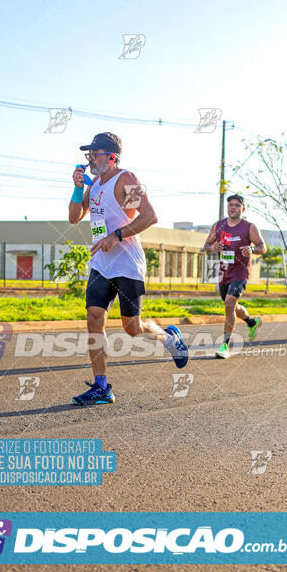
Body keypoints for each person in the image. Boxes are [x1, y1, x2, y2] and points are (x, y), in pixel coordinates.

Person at [68, 132, 189, 405]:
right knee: (94, 318)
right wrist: (77, 188)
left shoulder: (125, 180)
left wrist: (117, 236)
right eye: (88, 156)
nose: (89, 161)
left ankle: (167, 336)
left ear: (111, 157)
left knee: (132, 328)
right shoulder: (94, 184)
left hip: (127, 265)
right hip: (101, 264)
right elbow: (75, 217)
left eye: (94, 155)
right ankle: (101, 387)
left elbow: (149, 216)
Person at [204, 194, 267, 359]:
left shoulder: (249, 227)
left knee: (229, 304)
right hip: (224, 271)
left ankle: (225, 345)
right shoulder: (218, 226)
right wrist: (213, 247)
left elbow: (263, 247)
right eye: (231, 205)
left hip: (240, 272)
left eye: (237, 205)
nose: (233, 207)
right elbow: (206, 245)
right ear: (227, 207)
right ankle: (252, 322)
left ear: (243, 208)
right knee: (231, 305)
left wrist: (252, 249)